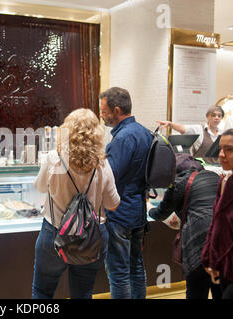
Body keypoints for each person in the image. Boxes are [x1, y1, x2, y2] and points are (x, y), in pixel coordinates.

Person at [32, 108, 120, 299]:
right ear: (97, 134)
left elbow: (39, 187)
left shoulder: (53, 159)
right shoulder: (102, 164)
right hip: (91, 237)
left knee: (42, 292)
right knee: (83, 293)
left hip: (54, 233)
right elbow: (113, 204)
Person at [99, 87, 153, 299]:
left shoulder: (123, 138)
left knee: (119, 272)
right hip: (138, 211)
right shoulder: (144, 132)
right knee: (136, 267)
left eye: (104, 111)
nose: (102, 116)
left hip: (119, 213)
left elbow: (109, 177)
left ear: (117, 110)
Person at [147, 153, 222, 299]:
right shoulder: (213, 176)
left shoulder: (180, 182)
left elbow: (162, 212)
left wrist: (149, 207)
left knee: (196, 287)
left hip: (197, 237)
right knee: (219, 286)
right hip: (220, 237)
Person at [201, 127, 233, 299]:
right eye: (221, 149)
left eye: (229, 149)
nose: (222, 155)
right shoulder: (225, 182)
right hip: (224, 269)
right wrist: (209, 257)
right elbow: (217, 224)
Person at [157, 105, 224, 164]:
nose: (216, 118)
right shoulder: (199, 129)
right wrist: (170, 124)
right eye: (213, 115)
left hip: (218, 168)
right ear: (207, 117)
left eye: (219, 116)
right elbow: (183, 129)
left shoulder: (222, 133)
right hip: (201, 169)